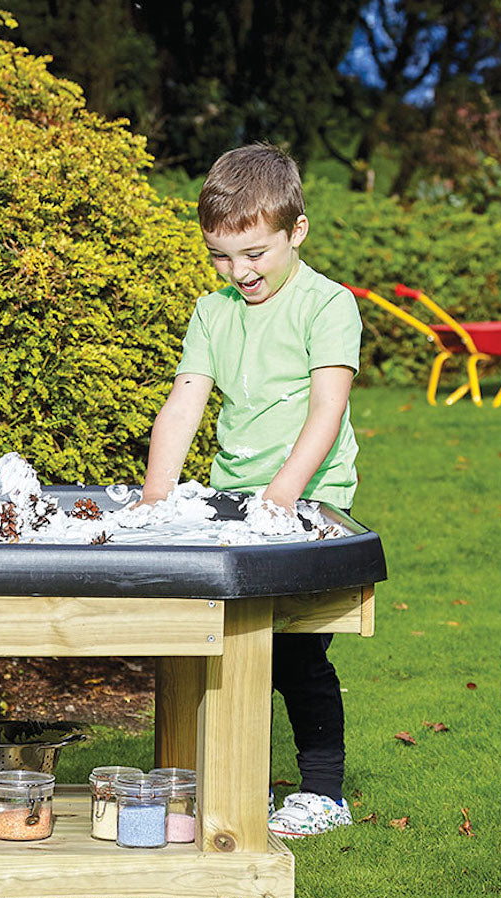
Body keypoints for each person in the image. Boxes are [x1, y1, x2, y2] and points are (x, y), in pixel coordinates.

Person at [138, 143, 362, 838]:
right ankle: (243, 781)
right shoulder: (214, 312)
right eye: (222, 257)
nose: (239, 273)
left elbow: (328, 408)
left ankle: (324, 790)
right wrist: (155, 499)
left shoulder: (328, 305)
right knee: (224, 644)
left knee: (294, 649)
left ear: (296, 231)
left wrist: (283, 495)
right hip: (235, 503)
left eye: (255, 254)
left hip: (308, 500)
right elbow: (184, 404)